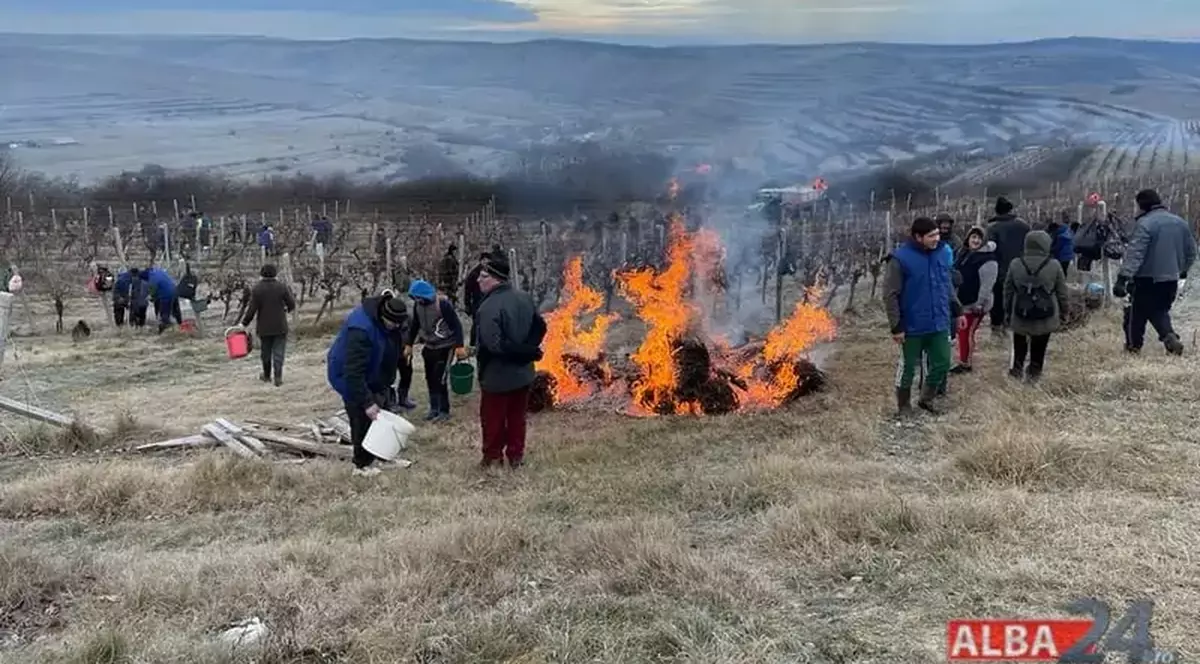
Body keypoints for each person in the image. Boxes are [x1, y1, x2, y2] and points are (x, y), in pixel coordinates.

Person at [326, 293, 410, 477]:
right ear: (383, 317)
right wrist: (367, 402)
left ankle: (384, 456)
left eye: (399, 324)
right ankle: (361, 465)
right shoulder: (361, 329)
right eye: (393, 324)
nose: (396, 327)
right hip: (348, 374)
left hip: (374, 370)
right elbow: (353, 373)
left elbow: (393, 346)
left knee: (383, 413)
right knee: (362, 417)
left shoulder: (392, 322)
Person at [474, 254, 545, 469]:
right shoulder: (524, 297)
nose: (478, 280)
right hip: (523, 373)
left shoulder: (489, 307)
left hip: (497, 375)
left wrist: (524, 352)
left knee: (493, 419)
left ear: (496, 279)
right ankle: (516, 456)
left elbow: (494, 346)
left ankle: (493, 458)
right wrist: (528, 351)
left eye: (483, 276)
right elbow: (540, 326)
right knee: (517, 417)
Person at [884, 217, 955, 416]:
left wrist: (955, 307)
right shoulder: (900, 259)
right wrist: (896, 326)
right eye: (931, 236)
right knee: (908, 367)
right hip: (912, 325)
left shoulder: (942, 252)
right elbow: (890, 295)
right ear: (918, 237)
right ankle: (904, 405)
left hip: (939, 322)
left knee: (943, 363)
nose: (937, 239)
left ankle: (926, 398)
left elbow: (945, 281)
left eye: (937, 234)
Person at [1114, 188, 1197, 355]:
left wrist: (1123, 278)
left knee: (1136, 314)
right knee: (1159, 310)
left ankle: (1134, 347)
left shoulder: (1145, 224)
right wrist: (1183, 270)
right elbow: (1192, 252)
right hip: (1171, 278)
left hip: (1146, 278)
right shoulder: (1180, 222)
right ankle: (1169, 337)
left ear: (1141, 205)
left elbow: (1135, 253)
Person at [1003, 230, 1069, 382]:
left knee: (1019, 343)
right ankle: (1034, 374)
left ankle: (1016, 370)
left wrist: (1007, 310)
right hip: (1045, 313)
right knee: (1040, 346)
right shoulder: (1054, 265)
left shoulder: (1016, 263)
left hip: (1020, 311)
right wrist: (1065, 311)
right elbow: (1062, 292)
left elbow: (1007, 290)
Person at [404, 279, 465, 423]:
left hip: (445, 346)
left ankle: (444, 410)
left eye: (418, 297)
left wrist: (459, 346)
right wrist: (409, 344)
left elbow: (456, 325)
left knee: (440, 379)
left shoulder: (442, 304)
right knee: (430, 378)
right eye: (414, 298)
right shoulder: (418, 306)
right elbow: (415, 325)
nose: (417, 300)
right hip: (429, 346)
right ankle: (434, 408)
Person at [950, 227, 997, 374]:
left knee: (967, 332)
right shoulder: (963, 253)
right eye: (973, 237)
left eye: (979, 238)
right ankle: (963, 360)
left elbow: (987, 285)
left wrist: (979, 303)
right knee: (962, 332)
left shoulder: (988, 259)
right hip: (963, 300)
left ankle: (966, 364)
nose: (975, 241)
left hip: (975, 303)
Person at [241, 264, 297, 386]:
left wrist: (244, 323)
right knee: (279, 353)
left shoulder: (257, 289)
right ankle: (278, 377)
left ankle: (266, 376)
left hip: (264, 327)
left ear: (262, 274)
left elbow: (252, 310)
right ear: (275, 274)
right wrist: (286, 309)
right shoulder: (281, 287)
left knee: (265, 352)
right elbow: (292, 304)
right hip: (280, 325)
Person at [985, 196, 1032, 332]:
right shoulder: (1024, 226)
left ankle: (997, 325)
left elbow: (990, 250)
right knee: (1017, 297)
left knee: (998, 298)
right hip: (1021, 268)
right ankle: (1015, 322)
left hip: (999, 270)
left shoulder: (992, 228)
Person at [143, 266, 181, 333]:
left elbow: (153, 290)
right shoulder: (159, 272)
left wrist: (151, 296)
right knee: (176, 310)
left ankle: (165, 329)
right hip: (174, 290)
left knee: (164, 313)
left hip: (166, 295)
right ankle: (180, 324)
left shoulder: (152, 277)